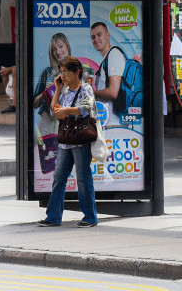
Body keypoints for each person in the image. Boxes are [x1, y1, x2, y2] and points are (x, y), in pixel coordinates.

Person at [35, 55, 98, 228]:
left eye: (66, 72)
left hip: (80, 140)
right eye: (61, 72)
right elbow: (54, 111)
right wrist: (57, 89)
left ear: (77, 72)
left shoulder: (85, 88)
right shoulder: (64, 91)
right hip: (65, 141)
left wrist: (66, 110)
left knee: (83, 179)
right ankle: (53, 217)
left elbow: (86, 108)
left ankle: (90, 217)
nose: (62, 75)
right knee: (59, 178)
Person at [33, 33, 72, 173]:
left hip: (68, 123)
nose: (58, 51)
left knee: (67, 165)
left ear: (67, 46)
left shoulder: (78, 70)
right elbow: (34, 104)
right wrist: (45, 92)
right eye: (54, 49)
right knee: (48, 165)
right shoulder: (47, 72)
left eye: (60, 46)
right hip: (46, 122)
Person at [89, 21, 123, 105]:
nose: (96, 39)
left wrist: (91, 93)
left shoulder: (114, 54)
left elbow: (113, 92)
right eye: (93, 37)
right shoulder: (106, 59)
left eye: (99, 35)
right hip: (105, 111)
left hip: (115, 112)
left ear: (108, 36)